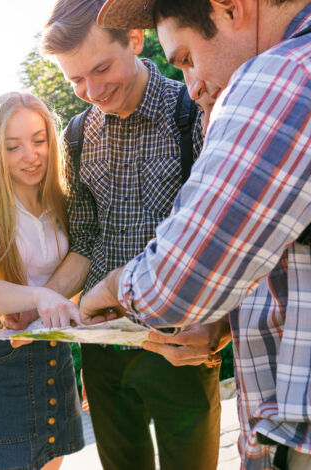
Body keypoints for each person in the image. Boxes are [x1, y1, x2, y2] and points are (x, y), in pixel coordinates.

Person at [83, 0, 311, 468]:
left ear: (229, 8)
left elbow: (174, 284)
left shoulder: (290, 74)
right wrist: (225, 325)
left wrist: (108, 290)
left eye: (187, 58)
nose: (192, 87)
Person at [38, 1, 231, 468]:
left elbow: (225, 240)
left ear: (137, 40)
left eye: (101, 68)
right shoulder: (78, 136)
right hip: (104, 353)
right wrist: (35, 304)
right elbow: (86, 244)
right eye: (75, 80)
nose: (93, 90)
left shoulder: (196, 113)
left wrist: (221, 327)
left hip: (178, 345)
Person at [0, 92, 85, 470]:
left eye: (39, 140)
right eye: (13, 147)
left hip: (53, 350)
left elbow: (80, 265)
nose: (30, 156)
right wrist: (39, 297)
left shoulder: (64, 200)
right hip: (0, 358)